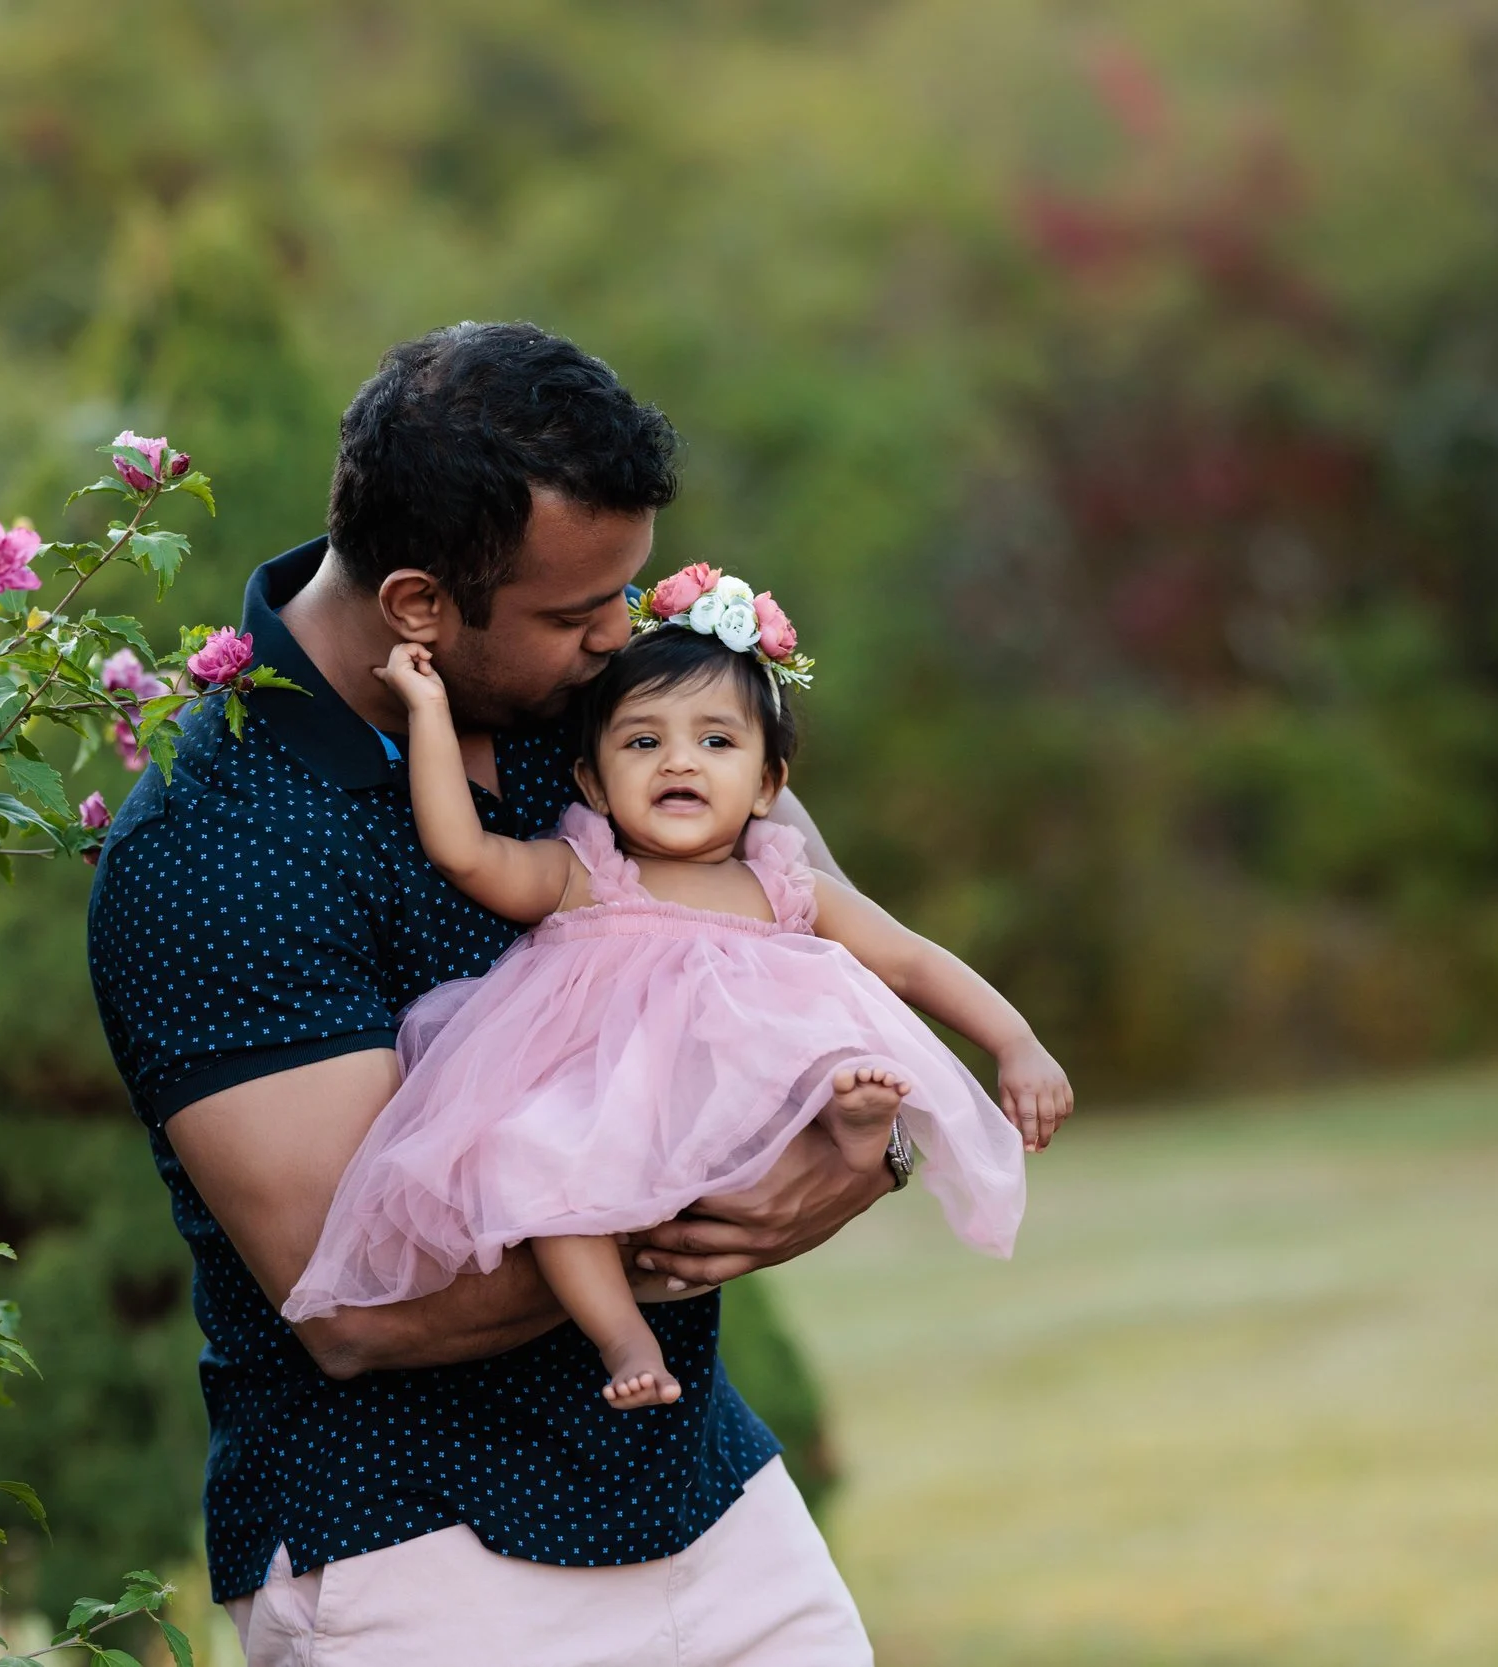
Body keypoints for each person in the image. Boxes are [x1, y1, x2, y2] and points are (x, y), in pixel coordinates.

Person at [86, 322, 1065, 1665]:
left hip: (707, 1494)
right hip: (419, 1555)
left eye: (629, 591)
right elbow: (361, 1303)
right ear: (422, 605)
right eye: (574, 611)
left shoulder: (601, 699)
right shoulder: (220, 844)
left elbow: (802, 931)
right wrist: (729, 1207)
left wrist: (872, 1145)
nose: (621, 638)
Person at [283, 582, 1068, 1408]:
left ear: (768, 785)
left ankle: (851, 1129)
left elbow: (907, 961)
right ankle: (624, 1335)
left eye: (716, 740)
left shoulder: (782, 883)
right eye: (644, 741)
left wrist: (1015, 1040)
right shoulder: (586, 877)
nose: (680, 760)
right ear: (591, 780)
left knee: (833, 1047)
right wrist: (428, 709)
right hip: (616, 1109)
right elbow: (465, 853)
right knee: (544, 1173)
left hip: (741, 1097)